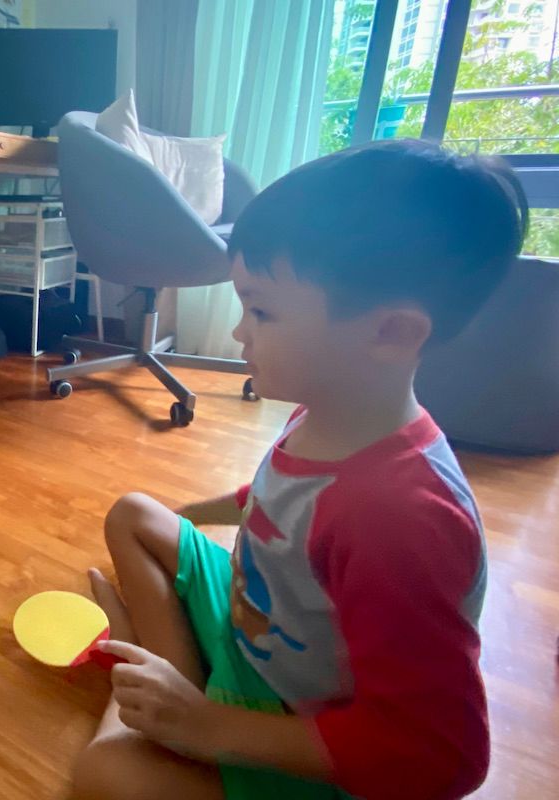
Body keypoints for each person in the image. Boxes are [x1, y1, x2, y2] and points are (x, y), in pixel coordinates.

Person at [71, 140, 528, 800]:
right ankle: (172, 691)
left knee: (102, 775)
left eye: (261, 310)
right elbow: (273, 497)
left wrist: (210, 727)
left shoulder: (398, 519)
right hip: (261, 631)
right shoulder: (326, 411)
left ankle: (162, 699)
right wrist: (188, 516)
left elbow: (441, 754)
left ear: (391, 333)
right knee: (134, 513)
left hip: (300, 723)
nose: (240, 333)